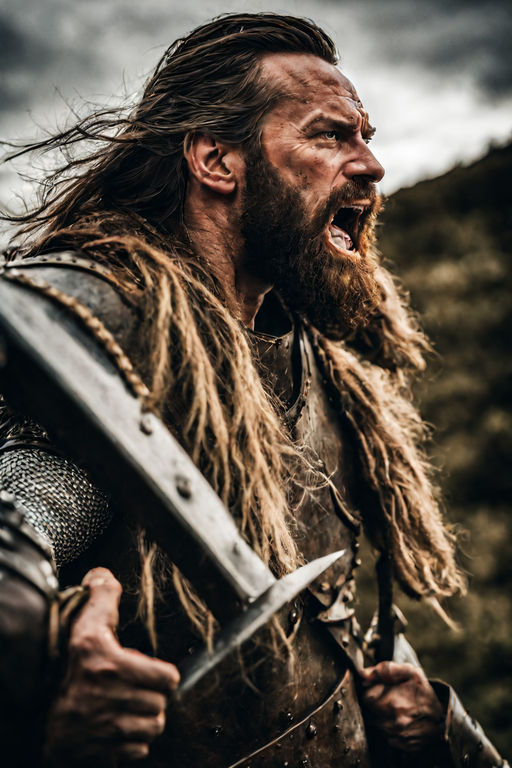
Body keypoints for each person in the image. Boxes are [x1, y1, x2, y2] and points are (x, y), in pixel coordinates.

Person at [0, 12, 507, 768]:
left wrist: (428, 727)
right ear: (216, 160)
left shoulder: (320, 367)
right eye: (330, 135)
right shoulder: (119, 342)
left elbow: (300, 626)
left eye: (366, 137)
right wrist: (40, 721)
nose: (370, 165)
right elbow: (19, 532)